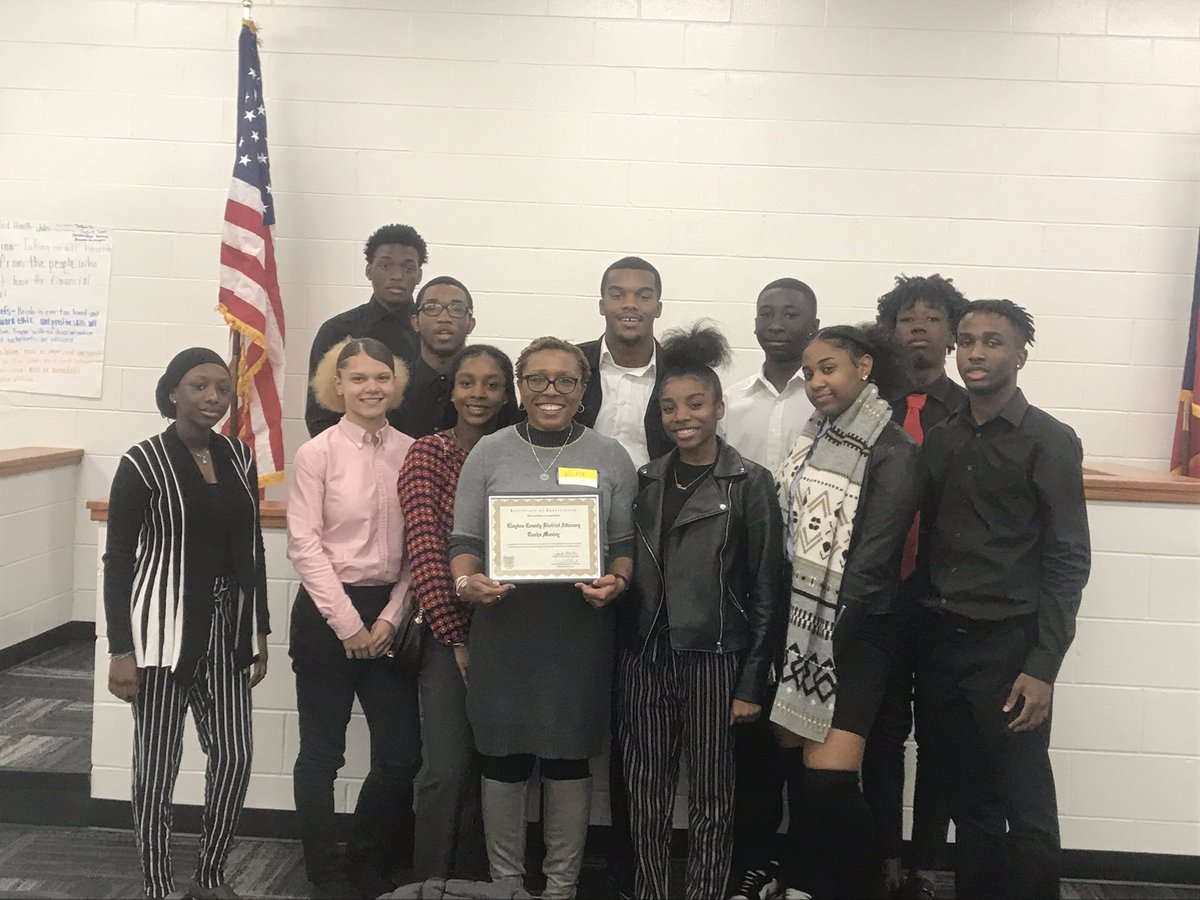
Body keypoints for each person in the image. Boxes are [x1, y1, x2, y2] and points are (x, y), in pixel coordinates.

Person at [450, 336, 639, 900]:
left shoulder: (610, 456)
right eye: (536, 379)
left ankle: (561, 888)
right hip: (503, 630)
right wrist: (465, 582)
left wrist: (618, 580)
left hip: (579, 631)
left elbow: (623, 545)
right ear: (520, 387)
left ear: (583, 389)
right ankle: (506, 886)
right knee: (502, 758)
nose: (550, 390)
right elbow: (464, 541)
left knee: (568, 760)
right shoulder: (489, 452)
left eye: (565, 380)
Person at [915, 299, 1090, 900]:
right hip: (943, 644)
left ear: (1020, 354)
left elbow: (1069, 559)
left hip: (1010, 648)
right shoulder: (941, 438)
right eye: (966, 341)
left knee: (1026, 800)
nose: (976, 353)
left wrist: (1042, 667)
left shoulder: (1050, 441)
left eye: (993, 341)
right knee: (971, 804)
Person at [619, 323, 786, 900]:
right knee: (646, 793)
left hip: (715, 658)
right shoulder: (646, 480)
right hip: (646, 656)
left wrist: (752, 682)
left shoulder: (750, 483)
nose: (681, 416)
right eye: (669, 407)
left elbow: (767, 587)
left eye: (695, 403)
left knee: (713, 795)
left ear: (718, 409)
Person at [103, 347, 269, 900]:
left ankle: (209, 877)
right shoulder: (142, 462)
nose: (212, 398)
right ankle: (157, 885)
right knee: (158, 767)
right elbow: (118, 560)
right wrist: (120, 650)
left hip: (228, 629)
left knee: (235, 756)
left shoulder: (238, 456)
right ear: (173, 391)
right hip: (161, 635)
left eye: (221, 388)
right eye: (199, 386)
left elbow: (252, 546)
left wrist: (259, 629)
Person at [770, 325, 921, 899]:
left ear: (864, 366)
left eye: (828, 368)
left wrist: (822, 642)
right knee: (799, 776)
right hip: (798, 624)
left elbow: (874, 562)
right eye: (808, 373)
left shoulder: (894, 450)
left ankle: (866, 887)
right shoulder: (813, 437)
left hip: (856, 632)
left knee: (829, 781)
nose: (815, 382)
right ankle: (808, 882)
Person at [288, 337, 422, 899]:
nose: (371, 387)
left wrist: (390, 616)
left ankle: (365, 856)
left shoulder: (413, 452)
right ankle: (326, 871)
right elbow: (303, 545)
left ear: (396, 384)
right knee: (323, 753)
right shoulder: (316, 454)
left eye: (381, 377)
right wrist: (348, 625)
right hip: (326, 613)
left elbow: (419, 548)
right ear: (337, 385)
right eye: (358, 377)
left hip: (389, 611)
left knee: (401, 754)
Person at [863, 274, 968, 899]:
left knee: (938, 736)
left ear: (952, 334)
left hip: (942, 598)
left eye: (932, 318)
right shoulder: (868, 407)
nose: (919, 328)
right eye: (907, 318)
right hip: (878, 597)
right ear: (890, 332)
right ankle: (883, 858)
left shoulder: (970, 410)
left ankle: (926, 864)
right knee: (879, 733)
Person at [398, 345, 519, 881]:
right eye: (467, 382)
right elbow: (426, 551)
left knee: (497, 766)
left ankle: (478, 884)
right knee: (445, 769)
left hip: (512, 629)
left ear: (507, 393)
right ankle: (429, 882)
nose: (478, 394)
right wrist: (456, 638)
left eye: (492, 384)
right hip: (448, 633)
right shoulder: (428, 453)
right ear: (450, 391)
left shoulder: (520, 453)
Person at [574, 255, 670, 898]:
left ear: (659, 304)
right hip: (573, 551)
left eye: (643, 294)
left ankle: (632, 860)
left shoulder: (682, 373)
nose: (630, 303)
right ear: (602, 302)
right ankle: (564, 855)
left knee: (639, 719)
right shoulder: (573, 366)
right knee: (577, 703)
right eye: (618, 293)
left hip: (661, 552)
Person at [720, 277, 818, 900]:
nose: (777, 323)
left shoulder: (831, 399)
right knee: (751, 736)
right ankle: (752, 863)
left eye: (791, 313)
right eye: (766, 313)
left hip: (815, 592)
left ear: (814, 325)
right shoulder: (730, 402)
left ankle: (803, 867)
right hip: (748, 586)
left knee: (806, 733)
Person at [305, 223, 428, 437]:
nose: (397, 275)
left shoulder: (430, 331)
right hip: (350, 453)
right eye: (386, 265)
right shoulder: (337, 331)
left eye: (408, 268)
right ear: (369, 271)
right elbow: (320, 414)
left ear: (419, 275)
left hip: (422, 452)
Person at [394, 275, 477, 440]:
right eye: (431, 308)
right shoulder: (395, 386)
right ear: (415, 322)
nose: (444, 318)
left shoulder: (484, 389)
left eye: (457, 308)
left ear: (470, 324)